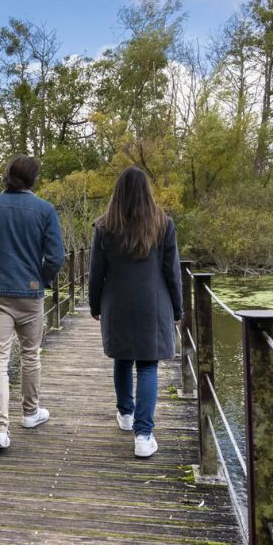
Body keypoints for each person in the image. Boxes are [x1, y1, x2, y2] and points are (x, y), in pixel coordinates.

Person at [0, 155, 66, 450]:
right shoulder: (45, 210)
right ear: (33, 179)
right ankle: (31, 413)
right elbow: (56, 257)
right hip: (31, 292)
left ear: (8, 175)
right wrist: (42, 279)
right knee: (30, 354)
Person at [88, 166, 182, 458]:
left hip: (117, 303)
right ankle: (143, 435)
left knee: (122, 358)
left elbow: (96, 273)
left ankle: (126, 414)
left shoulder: (104, 227)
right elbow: (172, 272)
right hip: (152, 305)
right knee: (148, 366)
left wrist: (94, 304)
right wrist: (177, 308)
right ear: (147, 192)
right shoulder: (163, 224)